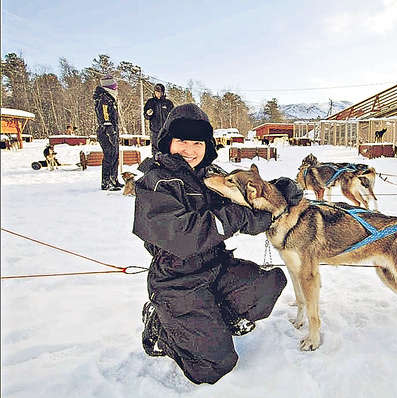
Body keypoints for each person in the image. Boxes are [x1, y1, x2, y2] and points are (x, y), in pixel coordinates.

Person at [133, 103, 302, 384]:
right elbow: (184, 237)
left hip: (216, 267)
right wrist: (234, 215)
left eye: (197, 142)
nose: (189, 149)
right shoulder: (156, 182)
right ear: (168, 142)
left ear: (206, 145)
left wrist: (277, 195)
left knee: (269, 285)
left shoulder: (210, 173)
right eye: (181, 141)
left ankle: (211, 320)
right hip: (177, 281)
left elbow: (249, 207)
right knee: (214, 365)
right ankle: (161, 327)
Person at [93, 75, 123, 191]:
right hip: (106, 132)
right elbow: (105, 117)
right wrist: (110, 131)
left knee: (115, 155)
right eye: (115, 85)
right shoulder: (103, 99)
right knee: (109, 156)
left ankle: (114, 179)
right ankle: (106, 182)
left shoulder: (110, 98)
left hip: (113, 131)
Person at [144, 83, 174, 157]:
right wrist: (148, 114)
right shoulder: (150, 102)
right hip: (155, 131)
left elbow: (174, 116)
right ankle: (156, 164)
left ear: (163, 93)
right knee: (155, 150)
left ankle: (166, 165)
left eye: (160, 92)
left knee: (167, 149)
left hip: (166, 131)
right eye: (156, 92)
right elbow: (146, 116)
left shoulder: (168, 103)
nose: (158, 94)